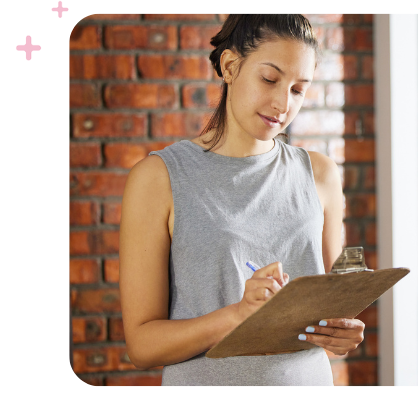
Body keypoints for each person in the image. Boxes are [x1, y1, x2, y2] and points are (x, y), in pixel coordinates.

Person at [119, 14, 364, 386]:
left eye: (298, 89)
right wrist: (236, 316)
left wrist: (344, 334)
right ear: (230, 66)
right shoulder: (159, 178)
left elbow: (332, 312)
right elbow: (142, 346)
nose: (283, 103)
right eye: (270, 79)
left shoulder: (321, 175)